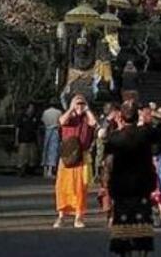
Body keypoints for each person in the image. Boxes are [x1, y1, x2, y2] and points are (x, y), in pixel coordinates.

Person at [105, 100, 161, 255]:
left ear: (121, 118)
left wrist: (107, 185)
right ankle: (142, 252)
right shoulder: (146, 133)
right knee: (142, 220)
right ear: (137, 117)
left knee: (123, 221)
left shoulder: (114, 137)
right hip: (141, 185)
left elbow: (109, 163)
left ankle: (125, 252)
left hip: (121, 186)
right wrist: (153, 115)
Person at [54, 94, 97, 228]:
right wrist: (71, 109)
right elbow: (61, 122)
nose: (79, 106)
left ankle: (79, 216)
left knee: (80, 188)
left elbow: (94, 123)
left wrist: (87, 110)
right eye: (77, 104)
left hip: (81, 156)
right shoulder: (69, 117)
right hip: (67, 156)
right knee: (62, 186)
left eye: (81, 103)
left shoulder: (86, 118)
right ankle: (61, 215)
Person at [140, 103, 161, 228]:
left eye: (148, 111)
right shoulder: (139, 125)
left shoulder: (159, 123)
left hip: (160, 157)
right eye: (143, 111)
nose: (146, 114)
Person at [15, 102, 39, 177]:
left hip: (32, 139)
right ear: (27, 108)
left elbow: (37, 130)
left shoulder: (35, 117)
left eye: (33, 108)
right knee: (22, 156)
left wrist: (38, 141)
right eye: (31, 108)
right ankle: (21, 170)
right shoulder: (22, 117)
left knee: (32, 157)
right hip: (23, 139)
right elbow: (17, 129)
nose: (32, 110)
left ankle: (30, 170)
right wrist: (16, 140)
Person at [41, 99, 63, 178]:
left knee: (46, 149)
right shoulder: (59, 112)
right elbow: (61, 123)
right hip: (55, 131)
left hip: (47, 131)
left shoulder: (45, 112)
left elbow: (43, 121)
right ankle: (50, 170)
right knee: (53, 150)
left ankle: (45, 169)